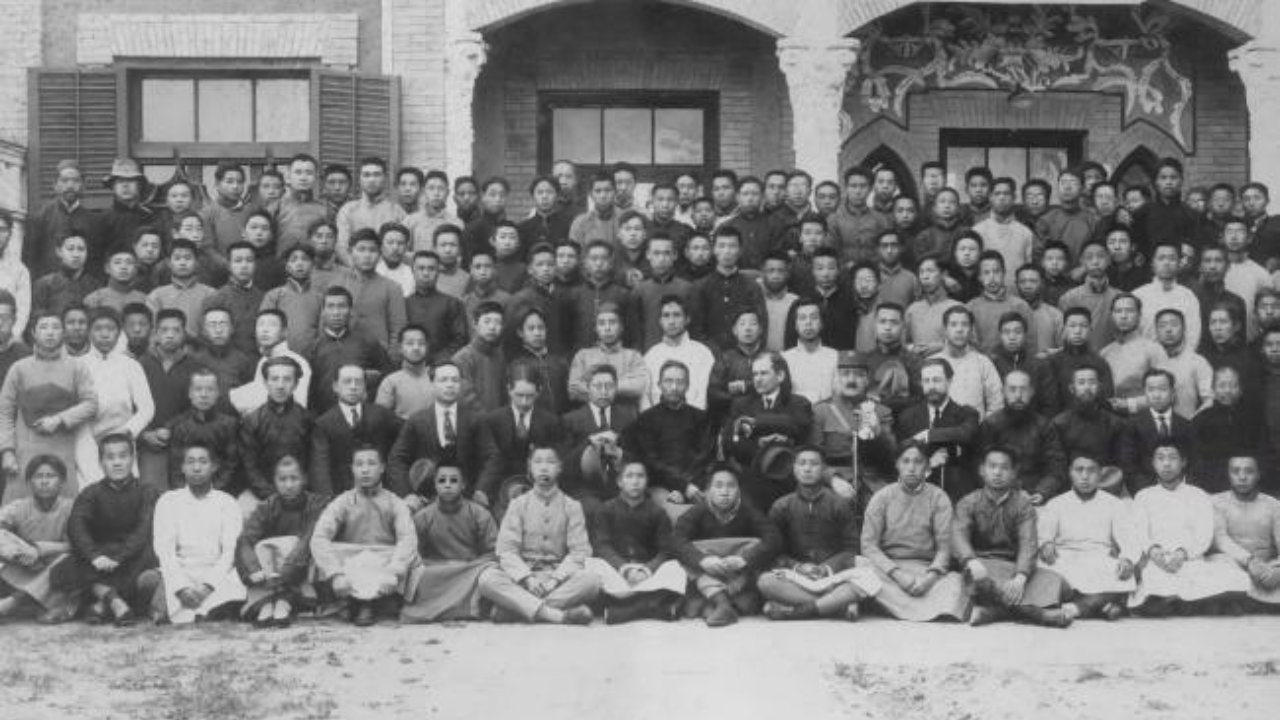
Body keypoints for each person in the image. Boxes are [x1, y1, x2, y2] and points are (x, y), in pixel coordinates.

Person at [477, 445, 599, 624]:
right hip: (523, 578)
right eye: (538, 462)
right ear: (530, 467)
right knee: (487, 579)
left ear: (559, 468)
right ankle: (555, 615)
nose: (544, 467)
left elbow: (579, 552)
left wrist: (555, 580)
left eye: (550, 462)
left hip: (557, 577)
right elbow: (506, 550)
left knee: (592, 580)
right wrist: (527, 579)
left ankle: (515, 609)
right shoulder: (518, 505)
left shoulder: (572, 506)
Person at [954, 446, 1073, 627]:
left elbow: (1028, 542)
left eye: (1004, 467)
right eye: (992, 466)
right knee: (980, 580)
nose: (997, 472)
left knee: (1058, 583)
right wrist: (971, 560)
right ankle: (1038, 615)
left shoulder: (1023, 505)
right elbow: (958, 535)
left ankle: (996, 612)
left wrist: (1020, 576)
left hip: (1012, 565)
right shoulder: (968, 502)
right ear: (982, 470)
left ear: (1014, 473)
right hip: (981, 563)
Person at [1129, 440, 1252, 615]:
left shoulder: (1198, 495)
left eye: (1172, 458)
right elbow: (1139, 531)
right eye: (1160, 458)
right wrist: (1153, 550)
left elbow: (1204, 535)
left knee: (1237, 579)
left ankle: (1177, 602)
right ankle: (1197, 603)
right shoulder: (1143, 496)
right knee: (1155, 582)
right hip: (1159, 563)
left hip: (1191, 561)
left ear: (1183, 462)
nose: (1166, 464)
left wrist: (1183, 553)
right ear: (1153, 463)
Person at [758, 448, 880, 621]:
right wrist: (797, 567)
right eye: (802, 464)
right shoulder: (781, 506)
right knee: (766, 581)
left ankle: (796, 610)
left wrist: (826, 568)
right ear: (794, 469)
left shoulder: (839, 504)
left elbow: (851, 548)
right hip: (797, 577)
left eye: (814, 464)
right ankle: (837, 605)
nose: (807, 469)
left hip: (834, 576)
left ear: (823, 470)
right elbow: (773, 549)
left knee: (867, 576)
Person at [52, 434, 158, 626]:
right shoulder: (90, 493)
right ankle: (116, 602)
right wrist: (95, 556)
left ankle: (102, 605)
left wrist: (119, 557)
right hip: (100, 558)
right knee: (65, 568)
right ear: (101, 462)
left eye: (123, 456)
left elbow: (143, 530)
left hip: (133, 556)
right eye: (110, 457)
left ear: (132, 459)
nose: (117, 463)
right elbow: (76, 526)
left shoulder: (147, 491)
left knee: (145, 561)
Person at [858, 442, 970, 622]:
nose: (911, 468)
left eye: (918, 462)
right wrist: (897, 574)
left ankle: (884, 605)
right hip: (888, 569)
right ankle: (916, 607)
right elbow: (869, 546)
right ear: (897, 464)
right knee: (861, 569)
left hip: (925, 569)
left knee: (956, 582)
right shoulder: (881, 497)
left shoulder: (938, 497)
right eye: (905, 461)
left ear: (927, 466)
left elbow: (944, 548)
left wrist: (929, 579)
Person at [310, 445, 418, 626]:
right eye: (359, 464)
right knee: (322, 551)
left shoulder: (394, 502)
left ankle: (367, 604)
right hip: (350, 564)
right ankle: (355, 602)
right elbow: (320, 536)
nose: (365, 470)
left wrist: (394, 571)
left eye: (371, 463)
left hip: (383, 564)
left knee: (411, 557)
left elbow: (407, 538)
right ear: (352, 469)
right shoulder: (342, 502)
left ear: (382, 468)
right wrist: (335, 574)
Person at [139, 444, 246, 624]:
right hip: (180, 570)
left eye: (203, 462)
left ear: (214, 467)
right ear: (182, 467)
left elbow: (229, 552)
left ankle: (189, 608)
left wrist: (207, 586)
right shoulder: (169, 501)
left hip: (215, 571)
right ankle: (187, 606)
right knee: (147, 581)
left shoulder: (227, 502)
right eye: (190, 462)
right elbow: (165, 551)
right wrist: (181, 588)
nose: (196, 468)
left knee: (234, 588)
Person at [0, 309, 97, 503]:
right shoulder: (19, 368)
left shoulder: (76, 367)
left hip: (62, 450)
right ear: (34, 333)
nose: (50, 332)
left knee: (64, 506)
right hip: (24, 451)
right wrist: (7, 451)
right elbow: (4, 413)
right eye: (44, 327)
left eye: (56, 327)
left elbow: (91, 403)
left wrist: (60, 419)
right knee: (16, 508)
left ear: (63, 333)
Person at [1037, 453, 1142, 621]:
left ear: (1100, 474)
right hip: (1064, 558)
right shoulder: (1056, 503)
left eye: (1091, 471)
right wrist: (1046, 544)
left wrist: (1127, 559)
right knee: (1042, 569)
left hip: (1098, 558)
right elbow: (1043, 535)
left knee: (1125, 573)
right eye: (1079, 470)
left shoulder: (1114, 504)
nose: (1085, 476)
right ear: (1070, 473)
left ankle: (1078, 608)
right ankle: (1101, 605)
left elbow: (1128, 538)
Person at [672, 467, 781, 627]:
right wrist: (702, 560)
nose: (725, 492)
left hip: (736, 574)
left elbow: (774, 539)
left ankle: (720, 604)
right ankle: (723, 603)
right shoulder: (697, 511)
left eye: (731, 486)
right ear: (708, 491)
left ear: (738, 491)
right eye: (718, 486)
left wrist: (744, 559)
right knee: (687, 552)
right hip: (708, 571)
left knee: (756, 546)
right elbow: (676, 540)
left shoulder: (748, 510)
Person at [585, 460, 687, 624]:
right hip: (617, 571)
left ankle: (628, 610)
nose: (635, 481)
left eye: (640, 476)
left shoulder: (657, 512)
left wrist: (647, 569)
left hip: (646, 572)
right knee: (592, 565)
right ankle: (649, 606)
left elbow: (666, 550)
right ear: (620, 482)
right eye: (629, 476)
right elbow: (601, 546)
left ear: (646, 482)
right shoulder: (605, 509)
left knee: (675, 568)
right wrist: (624, 568)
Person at [236, 455, 328, 627]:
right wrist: (253, 569)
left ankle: (284, 602)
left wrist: (287, 572)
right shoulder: (267, 507)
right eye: (282, 479)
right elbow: (246, 539)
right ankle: (266, 603)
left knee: (297, 543)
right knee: (261, 547)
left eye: (294, 478)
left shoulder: (316, 504)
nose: (289, 485)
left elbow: (307, 540)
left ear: (304, 479)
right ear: (275, 481)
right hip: (270, 572)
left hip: (300, 570)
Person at [401, 464, 498, 623]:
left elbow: (494, 551)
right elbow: (413, 553)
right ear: (435, 485)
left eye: (453, 480)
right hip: (439, 570)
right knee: (419, 574)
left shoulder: (479, 513)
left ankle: (463, 608)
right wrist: (439, 564)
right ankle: (462, 609)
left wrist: (470, 564)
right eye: (442, 481)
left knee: (489, 571)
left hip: (470, 568)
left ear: (463, 485)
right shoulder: (423, 517)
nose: (447, 485)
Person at [722, 353, 813, 512]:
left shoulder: (799, 403)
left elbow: (798, 428)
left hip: (789, 480)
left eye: (763, 373)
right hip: (752, 480)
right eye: (755, 374)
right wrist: (758, 444)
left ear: (780, 375)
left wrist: (754, 422)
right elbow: (730, 442)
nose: (757, 379)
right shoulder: (741, 404)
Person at [75, 307, 155, 488]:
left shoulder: (131, 365)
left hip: (123, 438)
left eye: (110, 329)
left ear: (119, 333)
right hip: (87, 439)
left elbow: (147, 408)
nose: (105, 334)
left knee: (124, 489)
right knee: (92, 488)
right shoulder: (78, 366)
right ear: (89, 332)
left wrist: (127, 431)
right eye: (98, 329)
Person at [387, 361, 483, 501]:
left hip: (467, 498)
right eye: (443, 380)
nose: (450, 385)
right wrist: (408, 494)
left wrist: (481, 490)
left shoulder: (475, 420)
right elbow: (397, 460)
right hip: (426, 499)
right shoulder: (416, 421)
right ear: (432, 383)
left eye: (455, 380)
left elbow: (491, 457)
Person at [808, 350, 896, 503]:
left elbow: (890, 457)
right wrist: (832, 479)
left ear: (867, 380)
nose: (851, 380)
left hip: (873, 482)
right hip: (835, 482)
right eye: (845, 374)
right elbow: (812, 456)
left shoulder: (881, 412)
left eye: (858, 375)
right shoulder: (821, 412)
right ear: (836, 379)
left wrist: (877, 434)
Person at [629, 360, 715, 513]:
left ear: (687, 385)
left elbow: (704, 458)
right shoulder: (645, 419)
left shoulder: (701, 417)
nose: (674, 387)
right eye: (668, 381)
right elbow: (651, 462)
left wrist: (690, 487)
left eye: (680, 382)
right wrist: (682, 486)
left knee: (717, 506)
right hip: (660, 486)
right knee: (673, 511)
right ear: (659, 384)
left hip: (696, 485)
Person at [475, 363, 566, 505]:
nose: (524, 402)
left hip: (540, 489)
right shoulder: (492, 421)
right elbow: (492, 461)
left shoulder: (551, 422)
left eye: (530, 396)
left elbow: (556, 462)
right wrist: (482, 490)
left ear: (539, 391)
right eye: (519, 395)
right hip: (500, 489)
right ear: (509, 390)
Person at [0, 455, 76, 622]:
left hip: (55, 574)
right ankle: (40, 602)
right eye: (38, 476)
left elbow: (79, 545)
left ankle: (12, 603)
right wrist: (19, 552)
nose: (44, 482)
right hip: (26, 567)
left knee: (71, 559)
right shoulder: (19, 507)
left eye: (51, 476)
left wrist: (40, 549)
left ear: (62, 481)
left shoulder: (72, 508)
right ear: (29, 482)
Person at [895, 358, 980, 503]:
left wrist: (929, 435)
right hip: (916, 495)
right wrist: (928, 464)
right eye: (926, 381)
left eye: (936, 380)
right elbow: (900, 459)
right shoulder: (907, 417)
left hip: (955, 494)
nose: (931, 386)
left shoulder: (966, 414)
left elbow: (966, 433)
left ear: (949, 381)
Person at [310, 364, 402, 497]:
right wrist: (328, 501)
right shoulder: (323, 424)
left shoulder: (381, 415)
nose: (353, 387)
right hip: (343, 495)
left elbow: (408, 434)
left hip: (381, 493)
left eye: (358, 382)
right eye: (347, 381)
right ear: (335, 387)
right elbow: (320, 469)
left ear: (365, 387)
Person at [978, 369, 1066, 504]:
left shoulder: (1044, 426)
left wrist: (1042, 492)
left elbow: (1056, 466)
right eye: (1012, 390)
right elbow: (980, 467)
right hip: (998, 495)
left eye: (1023, 390)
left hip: (1035, 495)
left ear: (1031, 392)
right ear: (1003, 392)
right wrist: (1010, 492)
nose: (1018, 395)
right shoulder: (990, 425)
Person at [559, 364, 636, 515]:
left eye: (609, 386)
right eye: (598, 386)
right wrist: (589, 443)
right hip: (584, 489)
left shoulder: (629, 417)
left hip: (621, 485)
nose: (604, 391)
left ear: (616, 388)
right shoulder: (570, 420)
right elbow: (564, 465)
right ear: (588, 388)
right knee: (594, 509)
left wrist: (620, 454)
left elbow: (639, 457)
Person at [240, 356, 313, 514]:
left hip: (299, 492)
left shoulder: (307, 419)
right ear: (266, 383)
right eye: (274, 379)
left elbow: (313, 463)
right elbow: (249, 466)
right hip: (262, 494)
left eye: (287, 379)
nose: (280, 386)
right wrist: (271, 495)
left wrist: (298, 490)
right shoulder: (252, 421)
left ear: (296, 384)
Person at [306, 285, 393, 414]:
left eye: (342, 306)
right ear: (323, 311)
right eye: (330, 306)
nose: (336, 312)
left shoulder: (368, 343)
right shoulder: (313, 348)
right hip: (324, 418)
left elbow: (388, 377)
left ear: (350, 311)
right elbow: (308, 391)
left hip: (362, 416)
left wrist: (369, 388)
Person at [1211, 455, 1280, 607]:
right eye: (1235, 471)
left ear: (1258, 474)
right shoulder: (1216, 502)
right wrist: (1249, 561)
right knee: (1219, 567)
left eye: (1249, 471)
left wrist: (1277, 570)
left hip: (1265, 568)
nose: (1242, 477)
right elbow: (1221, 539)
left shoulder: (1274, 505)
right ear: (1228, 474)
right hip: (1231, 564)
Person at [689, 225, 766, 350]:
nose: (727, 251)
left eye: (732, 246)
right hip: (709, 354)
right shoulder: (700, 287)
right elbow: (696, 329)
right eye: (722, 246)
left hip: (744, 353)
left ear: (740, 250)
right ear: (714, 250)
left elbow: (761, 325)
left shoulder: (752, 287)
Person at [166, 368, 240, 494]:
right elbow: (176, 469)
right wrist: (187, 494)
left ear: (218, 393)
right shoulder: (179, 427)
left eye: (210, 389)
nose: (204, 395)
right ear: (190, 393)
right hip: (186, 494)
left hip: (220, 492)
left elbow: (231, 465)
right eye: (198, 389)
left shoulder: (230, 425)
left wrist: (212, 492)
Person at [567, 303, 648, 412]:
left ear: (621, 327)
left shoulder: (633, 356)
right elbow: (573, 390)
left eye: (612, 322)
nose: (607, 328)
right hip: (591, 417)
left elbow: (639, 387)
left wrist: (593, 385)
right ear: (596, 328)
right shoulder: (583, 356)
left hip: (625, 416)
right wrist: (622, 385)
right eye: (601, 323)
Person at [230, 309, 313, 413]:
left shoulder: (297, 362)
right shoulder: (263, 360)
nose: (265, 330)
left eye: (272, 325)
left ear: (284, 332)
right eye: (260, 324)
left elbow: (299, 405)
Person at [928, 306, 1002, 418]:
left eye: (965, 324)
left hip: (977, 427)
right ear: (945, 330)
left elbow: (997, 403)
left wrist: (985, 426)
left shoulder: (983, 363)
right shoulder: (930, 363)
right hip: (939, 427)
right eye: (953, 324)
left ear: (971, 330)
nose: (959, 329)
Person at [643, 295, 715, 410]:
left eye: (677, 315)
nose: (671, 321)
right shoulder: (651, 356)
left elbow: (703, 396)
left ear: (687, 319)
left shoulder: (702, 353)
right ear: (660, 321)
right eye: (666, 316)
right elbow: (645, 399)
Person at [1134, 241, 1203, 352]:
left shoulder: (1188, 297)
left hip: (1180, 358)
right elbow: (1133, 335)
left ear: (1179, 263)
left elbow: (1193, 336)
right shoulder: (1138, 295)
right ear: (1152, 263)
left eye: (1172, 258)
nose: (1166, 263)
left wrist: (1180, 358)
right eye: (1161, 258)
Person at [145, 239, 217, 341]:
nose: (182, 263)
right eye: (177, 258)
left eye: (187, 258)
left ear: (197, 262)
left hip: (202, 348)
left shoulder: (210, 294)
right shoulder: (157, 296)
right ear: (169, 263)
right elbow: (151, 331)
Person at [782, 297, 838, 405]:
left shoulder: (835, 357)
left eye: (814, 317)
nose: (808, 322)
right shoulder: (784, 359)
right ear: (795, 325)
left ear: (822, 323)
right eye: (802, 318)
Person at [453, 300, 507, 412]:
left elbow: (504, 393)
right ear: (475, 324)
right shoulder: (462, 358)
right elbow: (465, 399)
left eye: (498, 322)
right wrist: (488, 418)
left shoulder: (499, 355)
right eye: (487, 321)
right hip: (475, 420)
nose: (492, 327)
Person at [32, 232, 101, 319]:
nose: (76, 254)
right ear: (59, 251)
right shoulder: (44, 285)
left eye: (81, 249)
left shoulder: (94, 286)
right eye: (70, 249)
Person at [375, 325, 436, 420]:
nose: (416, 347)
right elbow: (380, 418)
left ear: (427, 347)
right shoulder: (390, 381)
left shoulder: (439, 377)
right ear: (400, 348)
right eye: (410, 343)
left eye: (421, 343)